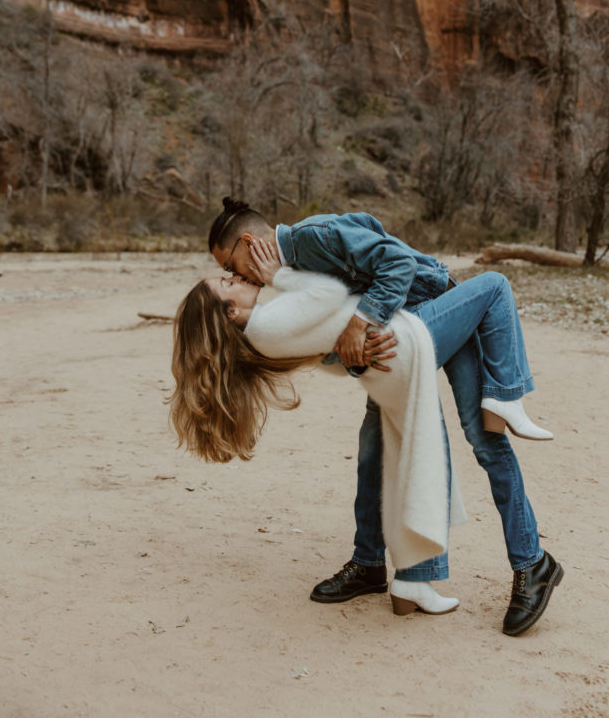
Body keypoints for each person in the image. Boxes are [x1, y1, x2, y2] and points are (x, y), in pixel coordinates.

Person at [208, 198, 564, 636]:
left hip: (439, 310)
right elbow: (332, 325)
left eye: (230, 264)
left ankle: (533, 563)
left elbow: (394, 263)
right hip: (402, 335)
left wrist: (363, 324)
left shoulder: (309, 238)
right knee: (373, 449)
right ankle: (371, 563)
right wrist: (358, 347)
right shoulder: (282, 278)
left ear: (248, 242)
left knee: (483, 438)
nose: (234, 276)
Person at [170, 239, 467, 617]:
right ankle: (405, 572)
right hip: (395, 345)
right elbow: (328, 300)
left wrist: (352, 349)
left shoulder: (266, 320)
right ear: (230, 312)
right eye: (228, 280)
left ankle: (376, 563)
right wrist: (282, 278)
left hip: (385, 345)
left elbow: (322, 333)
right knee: (413, 449)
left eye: (230, 268)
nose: (235, 275)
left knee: (380, 453)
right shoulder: (267, 322)